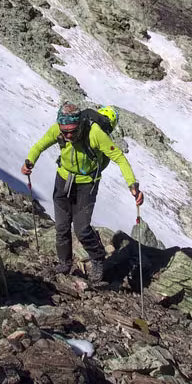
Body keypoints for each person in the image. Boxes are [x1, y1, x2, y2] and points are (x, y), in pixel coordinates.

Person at [22, 103, 145, 285]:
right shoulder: (57, 129)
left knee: (82, 229)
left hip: (87, 184)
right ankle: (64, 263)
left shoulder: (95, 133)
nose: (68, 136)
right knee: (61, 227)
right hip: (63, 180)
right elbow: (40, 145)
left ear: (80, 125)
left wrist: (132, 184)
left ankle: (98, 258)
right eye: (65, 132)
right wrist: (29, 161)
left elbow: (119, 158)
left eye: (72, 131)